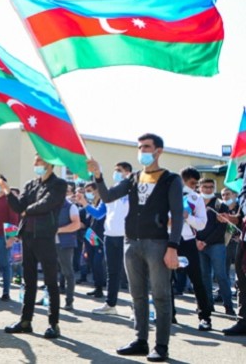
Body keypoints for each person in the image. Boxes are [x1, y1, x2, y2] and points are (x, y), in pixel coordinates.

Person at [89, 133, 183, 362]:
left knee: (160, 296)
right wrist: (99, 176)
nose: (142, 151)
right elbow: (109, 197)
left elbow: (178, 215)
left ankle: (161, 346)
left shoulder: (171, 179)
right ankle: (140, 340)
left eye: (147, 147)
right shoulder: (133, 178)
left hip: (158, 243)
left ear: (159, 150)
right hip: (130, 242)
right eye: (140, 147)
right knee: (137, 295)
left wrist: (173, 247)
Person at [2, 154, 66, 339]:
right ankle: (25, 321)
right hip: (28, 236)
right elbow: (18, 206)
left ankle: (53, 323)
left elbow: (46, 204)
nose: (35, 163)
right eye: (35, 159)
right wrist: (8, 192)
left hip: (45, 237)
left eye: (39, 160)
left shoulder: (59, 184)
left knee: (50, 282)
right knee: (28, 281)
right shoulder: (31, 184)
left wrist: (26, 210)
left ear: (50, 163)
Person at [169, 168, 211, 330]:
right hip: (169, 241)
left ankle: (205, 317)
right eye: (190, 183)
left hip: (187, 242)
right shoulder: (168, 195)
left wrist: (188, 217)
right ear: (181, 180)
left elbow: (202, 224)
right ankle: (169, 314)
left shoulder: (196, 198)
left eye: (195, 184)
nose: (192, 187)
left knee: (197, 280)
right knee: (166, 280)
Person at [92, 162, 131, 315]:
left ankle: (137, 308)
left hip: (126, 236)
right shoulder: (109, 192)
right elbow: (98, 214)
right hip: (109, 235)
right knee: (112, 272)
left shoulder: (131, 191)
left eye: (119, 171)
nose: (115, 173)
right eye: (115, 170)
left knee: (131, 273)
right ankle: (110, 304)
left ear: (127, 173)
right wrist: (84, 203)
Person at [197, 178, 235, 315]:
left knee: (221, 276)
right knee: (204, 276)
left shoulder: (220, 205)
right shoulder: (195, 203)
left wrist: (205, 242)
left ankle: (228, 306)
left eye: (211, 187)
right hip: (198, 245)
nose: (208, 189)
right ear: (199, 187)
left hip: (216, 245)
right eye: (205, 186)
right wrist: (197, 241)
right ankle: (208, 305)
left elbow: (221, 228)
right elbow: (189, 224)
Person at [219, 161, 246, 335]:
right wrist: (230, 218)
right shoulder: (243, 195)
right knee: (242, 279)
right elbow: (241, 216)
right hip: (245, 239)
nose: (241, 181)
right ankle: (243, 320)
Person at [77, 182, 106, 299]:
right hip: (91, 236)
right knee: (91, 261)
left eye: (89, 190)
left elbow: (99, 217)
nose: (87, 193)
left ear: (97, 190)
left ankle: (100, 287)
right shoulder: (92, 204)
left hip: (100, 237)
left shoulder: (103, 203)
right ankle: (96, 286)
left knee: (98, 263)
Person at [57, 189, 81, 311]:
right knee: (50, 272)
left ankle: (69, 301)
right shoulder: (50, 206)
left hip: (64, 244)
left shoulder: (71, 207)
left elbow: (76, 225)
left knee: (68, 272)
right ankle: (49, 298)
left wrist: (59, 230)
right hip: (50, 243)